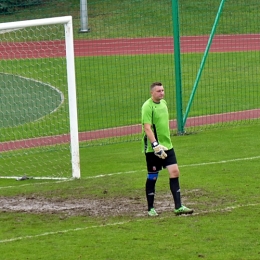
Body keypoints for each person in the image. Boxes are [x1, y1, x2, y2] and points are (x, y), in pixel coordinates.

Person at [141, 82, 193, 216]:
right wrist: (155, 145)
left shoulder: (163, 103)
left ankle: (178, 206)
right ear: (152, 93)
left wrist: (163, 144)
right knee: (153, 177)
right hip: (153, 149)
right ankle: (151, 208)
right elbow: (147, 128)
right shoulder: (147, 107)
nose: (162, 93)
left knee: (175, 172)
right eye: (158, 91)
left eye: (163, 90)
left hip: (167, 146)